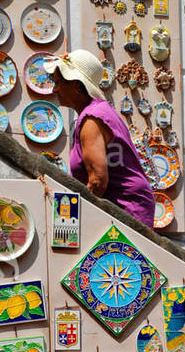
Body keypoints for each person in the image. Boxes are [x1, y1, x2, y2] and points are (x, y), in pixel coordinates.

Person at [43, 51, 155, 226]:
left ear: (78, 85)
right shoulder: (98, 112)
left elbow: (97, 181)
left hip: (126, 210)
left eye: (58, 82)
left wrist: (73, 220)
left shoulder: (91, 119)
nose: (54, 89)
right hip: (130, 206)